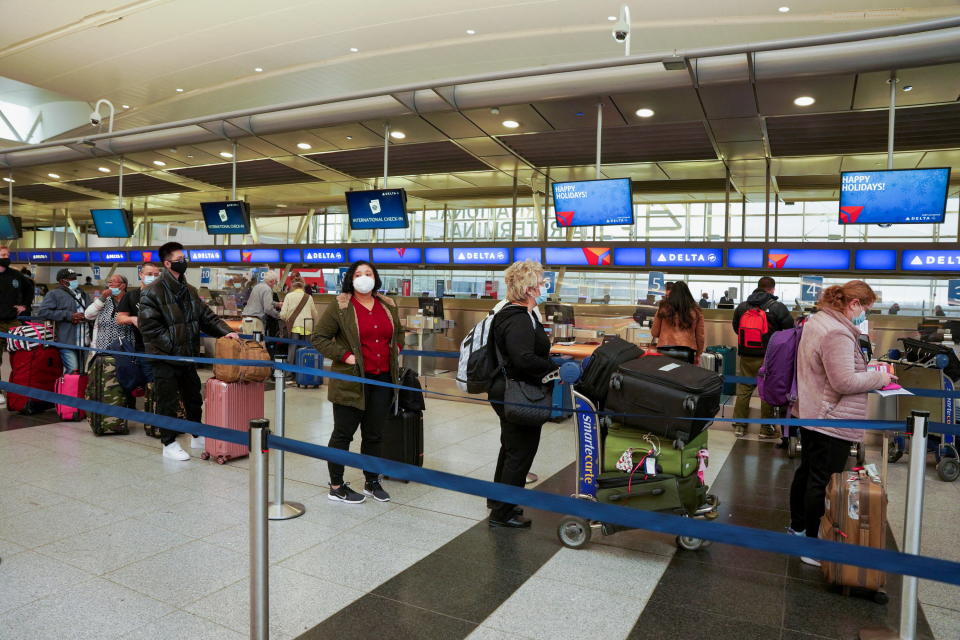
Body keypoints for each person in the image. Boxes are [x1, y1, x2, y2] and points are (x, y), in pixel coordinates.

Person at [788, 280, 892, 566]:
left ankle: (797, 529)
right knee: (821, 480)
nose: (864, 315)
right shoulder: (837, 332)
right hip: (830, 417)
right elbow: (844, 381)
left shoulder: (818, 321)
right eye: (865, 308)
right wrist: (880, 378)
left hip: (811, 410)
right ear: (853, 304)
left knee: (808, 472)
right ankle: (811, 544)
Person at [311, 260, 403, 504]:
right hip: (351, 380)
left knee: (374, 434)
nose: (364, 277)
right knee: (343, 433)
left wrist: (396, 350)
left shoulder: (387, 305)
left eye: (368, 273)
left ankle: (372, 481)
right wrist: (345, 355)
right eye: (358, 274)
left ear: (376, 277)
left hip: (382, 379)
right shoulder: (340, 306)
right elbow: (319, 337)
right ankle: (336, 485)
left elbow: (399, 333)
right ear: (350, 279)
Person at [138, 243, 239, 461]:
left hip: (186, 357)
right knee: (168, 402)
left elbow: (206, 318)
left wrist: (226, 332)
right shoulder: (152, 292)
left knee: (193, 397)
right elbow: (151, 329)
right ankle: (169, 442)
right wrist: (174, 347)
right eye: (180, 258)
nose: (184, 261)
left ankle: (196, 433)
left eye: (184, 257)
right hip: (164, 357)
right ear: (167, 263)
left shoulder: (189, 291)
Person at [486, 260, 555, 529]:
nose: (543, 287)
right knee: (521, 452)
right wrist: (554, 367)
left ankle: (499, 500)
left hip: (507, 389)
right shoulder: (518, 318)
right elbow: (523, 358)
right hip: (517, 391)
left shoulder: (510, 314)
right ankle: (502, 514)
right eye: (540, 282)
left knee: (511, 447)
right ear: (529, 288)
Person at [732, 276, 795, 439]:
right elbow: (789, 332)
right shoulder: (777, 307)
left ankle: (739, 426)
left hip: (746, 355)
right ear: (772, 289)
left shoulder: (742, 306)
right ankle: (766, 429)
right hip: (769, 357)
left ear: (757, 287)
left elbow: (736, 328)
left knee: (744, 390)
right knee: (766, 391)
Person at [36, 268, 91, 374]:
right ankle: (67, 390)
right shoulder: (54, 294)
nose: (75, 280)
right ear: (62, 281)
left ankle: (77, 390)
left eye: (75, 278)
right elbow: (43, 312)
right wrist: (69, 316)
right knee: (72, 369)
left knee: (82, 371)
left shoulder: (83, 294)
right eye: (71, 279)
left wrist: (86, 316)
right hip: (66, 340)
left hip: (84, 340)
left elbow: (90, 311)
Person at [0, 247, 31, 404]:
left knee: (20, 356)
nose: (7, 257)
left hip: (12, 321)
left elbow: (29, 288)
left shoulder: (16, 275)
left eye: (8, 255)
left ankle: (18, 389)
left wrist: (24, 305)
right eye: (3, 255)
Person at [652, 280, 705, 363]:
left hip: (664, 350)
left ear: (672, 293)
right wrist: (698, 354)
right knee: (684, 375)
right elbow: (700, 336)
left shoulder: (663, 308)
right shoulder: (696, 311)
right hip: (687, 351)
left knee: (664, 375)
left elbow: (654, 333)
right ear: (688, 293)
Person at [84, 274, 134, 351]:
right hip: (103, 348)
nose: (110, 284)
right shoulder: (103, 300)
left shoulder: (131, 300)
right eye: (109, 282)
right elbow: (88, 315)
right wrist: (103, 297)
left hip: (125, 348)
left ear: (123, 285)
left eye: (113, 282)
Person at [279, 276, 320, 362]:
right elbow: (315, 314)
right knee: (305, 352)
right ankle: (302, 373)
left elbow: (282, 315)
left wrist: (288, 319)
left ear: (292, 286)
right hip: (307, 327)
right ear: (303, 285)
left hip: (293, 327)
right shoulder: (309, 297)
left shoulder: (289, 296)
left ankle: (289, 374)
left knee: (292, 351)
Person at [241, 271, 281, 335]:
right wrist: (279, 315)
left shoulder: (257, 286)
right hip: (255, 321)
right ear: (272, 281)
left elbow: (260, 300)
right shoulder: (268, 289)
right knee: (257, 344)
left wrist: (277, 304)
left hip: (246, 319)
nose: (275, 285)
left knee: (247, 343)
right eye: (275, 282)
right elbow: (268, 309)